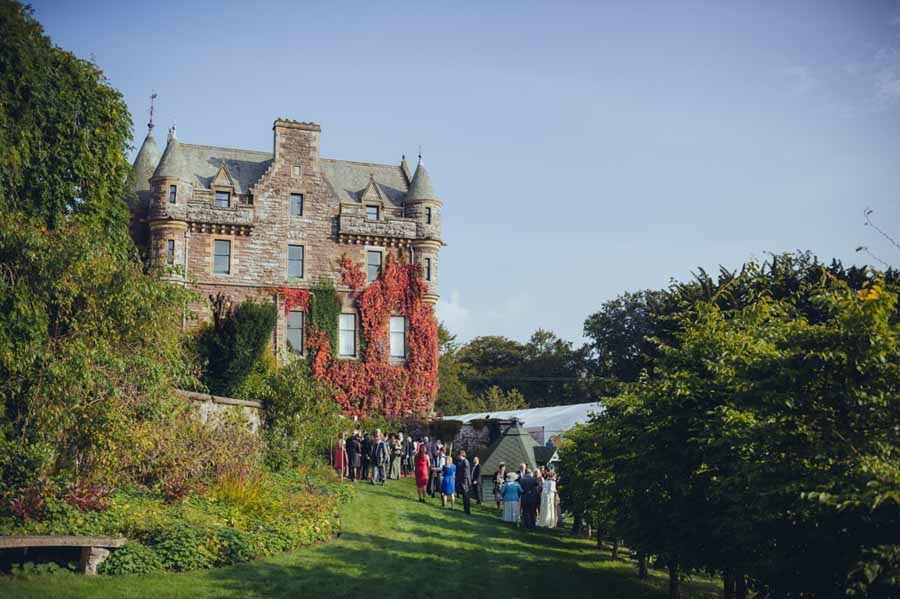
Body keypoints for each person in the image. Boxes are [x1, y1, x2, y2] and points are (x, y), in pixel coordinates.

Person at [455, 450, 472, 514]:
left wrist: (464, 482)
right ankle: (465, 509)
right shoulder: (461, 461)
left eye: (458, 455)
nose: (458, 456)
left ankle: (467, 510)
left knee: (466, 496)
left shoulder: (465, 462)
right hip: (463, 481)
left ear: (461, 455)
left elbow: (466, 473)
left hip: (465, 482)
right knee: (464, 496)